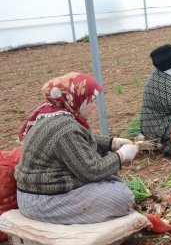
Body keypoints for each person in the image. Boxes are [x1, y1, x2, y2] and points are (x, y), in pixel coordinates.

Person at [15, 72, 138, 224]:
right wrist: (122, 155)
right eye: (91, 101)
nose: (94, 106)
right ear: (77, 99)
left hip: (36, 193)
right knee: (122, 198)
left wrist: (112, 142)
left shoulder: (52, 112)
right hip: (42, 202)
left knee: (108, 175)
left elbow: (78, 140)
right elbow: (92, 171)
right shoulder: (65, 128)